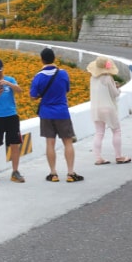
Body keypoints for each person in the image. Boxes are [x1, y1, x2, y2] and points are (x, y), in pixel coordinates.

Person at [29, 47, 84, 182]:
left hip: (46, 113)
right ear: (54, 58)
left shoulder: (38, 76)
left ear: (42, 60)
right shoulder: (63, 73)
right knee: (68, 142)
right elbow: (66, 90)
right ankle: (70, 173)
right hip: (62, 112)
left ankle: (53, 173)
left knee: (50, 143)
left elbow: (33, 96)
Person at [87, 56, 131, 165]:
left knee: (99, 133)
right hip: (108, 108)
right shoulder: (107, 78)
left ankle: (98, 158)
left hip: (96, 108)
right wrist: (117, 88)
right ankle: (119, 156)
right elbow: (115, 94)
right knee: (116, 131)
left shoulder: (93, 78)